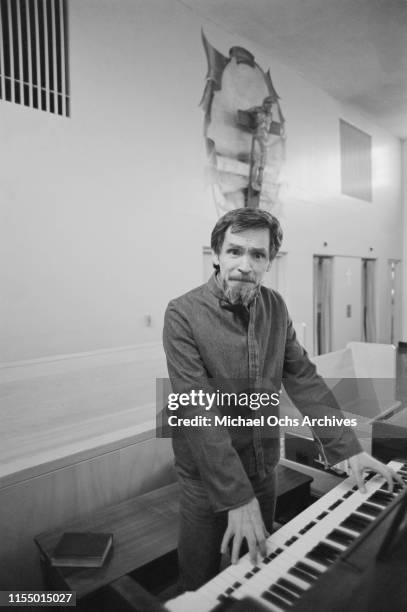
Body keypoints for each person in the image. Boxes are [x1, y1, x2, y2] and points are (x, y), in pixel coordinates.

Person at [162, 207, 402, 592]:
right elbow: (197, 411)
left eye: (258, 255)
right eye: (235, 251)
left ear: (269, 262)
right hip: (208, 481)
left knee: (252, 574)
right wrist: (236, 498)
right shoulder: (182, 314)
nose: (245, 264)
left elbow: (304, 379)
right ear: (217, 255)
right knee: (199, 581)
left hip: (262, 469)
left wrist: (349, 450)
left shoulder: (275, 308)